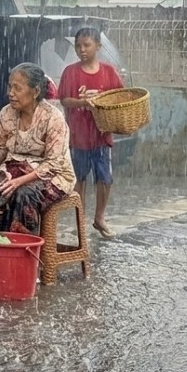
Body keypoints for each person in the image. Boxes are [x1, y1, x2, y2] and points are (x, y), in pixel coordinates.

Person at [0, 63, 75, 237]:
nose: (11, 93)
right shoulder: (7, 113)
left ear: (35, 91)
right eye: (10, 87)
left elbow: (53, 164)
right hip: (13, 169)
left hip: (52, 174)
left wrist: (20, 181)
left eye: (17, 88)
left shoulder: (53, 118)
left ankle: (21, 253)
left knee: (23, 195)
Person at [57, 27, 125, 238]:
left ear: (98, 46)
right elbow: (64, 100)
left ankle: (99, 218)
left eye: (87, 45)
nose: (82, 50)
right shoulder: (71, 72)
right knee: (79, 180)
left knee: (105, 178)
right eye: (78, 46)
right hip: (78, 137)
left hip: (102, 136)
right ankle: (80, 220)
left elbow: (119, 97)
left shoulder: (109, 71)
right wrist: (83, 102)